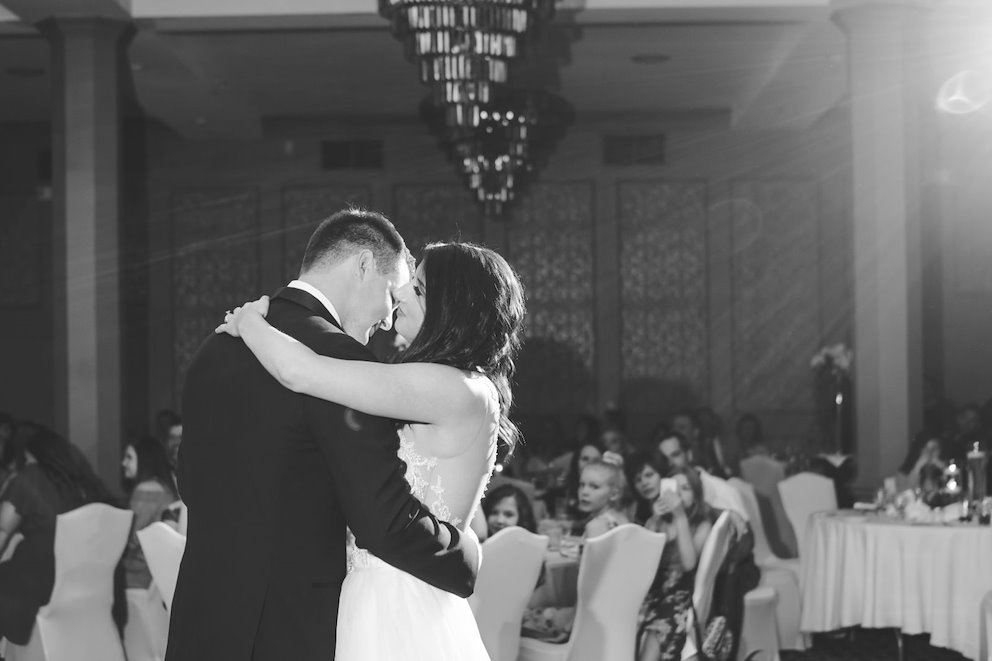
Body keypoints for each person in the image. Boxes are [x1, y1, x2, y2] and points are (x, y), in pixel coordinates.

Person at [168, 209, 485, 661]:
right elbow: (382, 520)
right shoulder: (342, 359)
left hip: (201, 619)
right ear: (361, 265)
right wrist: (464, 553)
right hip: (289, 628)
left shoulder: (218, 344)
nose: (389, 319)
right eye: (392, 296)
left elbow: (190, 483)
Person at [0, 425, 113, 644]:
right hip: (85, 585)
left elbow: (2, 531)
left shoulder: (31, 477)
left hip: (38, 585)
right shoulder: (84, 485)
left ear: (28, 454)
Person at [637, 465, 714, 661]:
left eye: (685, 488)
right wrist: (654, 520)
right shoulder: (660, 521)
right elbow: (643, 560)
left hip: (680, 594)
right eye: (674, 487)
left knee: (659, 628)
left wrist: (680, 516)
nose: (678, 493)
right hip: (652, 591)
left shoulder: (702, 525)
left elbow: (689, 564)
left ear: (696, 496)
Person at [120, 435, 179, 589]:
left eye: (129, 457)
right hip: (159, 576)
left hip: (137, 576)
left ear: (145, 460)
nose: (123, 463)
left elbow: (132, 538)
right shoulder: (166, 489)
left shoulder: (145, 491)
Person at [575, 453, 629, 538]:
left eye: (594, 487)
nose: (584, 492)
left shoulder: (595, 526)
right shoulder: (623, 518)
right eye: (582, 485)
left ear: (614, 494)